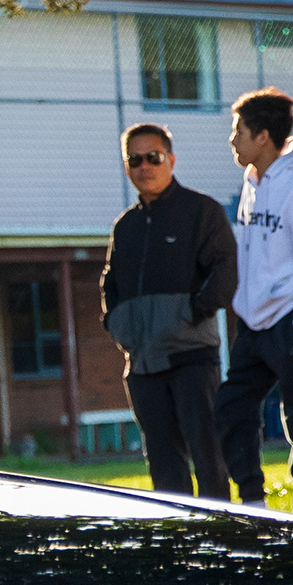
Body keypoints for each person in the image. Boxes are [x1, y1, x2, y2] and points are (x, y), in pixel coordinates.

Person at [94, 123, 236, 497]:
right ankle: (176, 532)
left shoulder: (202, 211)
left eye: (153, 157)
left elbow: (226, 270)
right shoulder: (125, 227)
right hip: (143, 366)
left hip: (192, 358)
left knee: (208, 457)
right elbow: (110, 283)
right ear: (126, 166)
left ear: (171, 160)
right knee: (163, 464)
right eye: (134, 159)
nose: (144, 166)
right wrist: (118, 326)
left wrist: (191, 313)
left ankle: (221, 528)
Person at [214, 87, 293, 514]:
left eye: (239, 131)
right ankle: (252, 501)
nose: (233, 140)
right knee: (232, 408)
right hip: (255, 322)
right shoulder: (252, 184)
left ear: (263, 136)